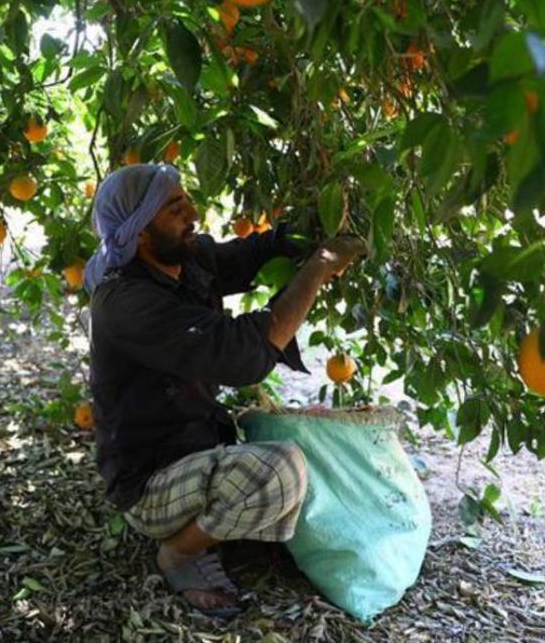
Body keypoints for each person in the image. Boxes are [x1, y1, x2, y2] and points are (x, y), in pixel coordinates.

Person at [83, 162, 368, 618]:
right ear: (139, 232)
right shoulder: (125, 303)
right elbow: (240, 356)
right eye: (176, 208)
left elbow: (255, 252)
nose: (192, 213)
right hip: (151, 480)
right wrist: (319, 267)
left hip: (199, 444)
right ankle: (179, 551)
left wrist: (322, 218)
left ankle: (222, 518)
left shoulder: (183, 259)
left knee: (309, 437)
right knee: (278, 472)